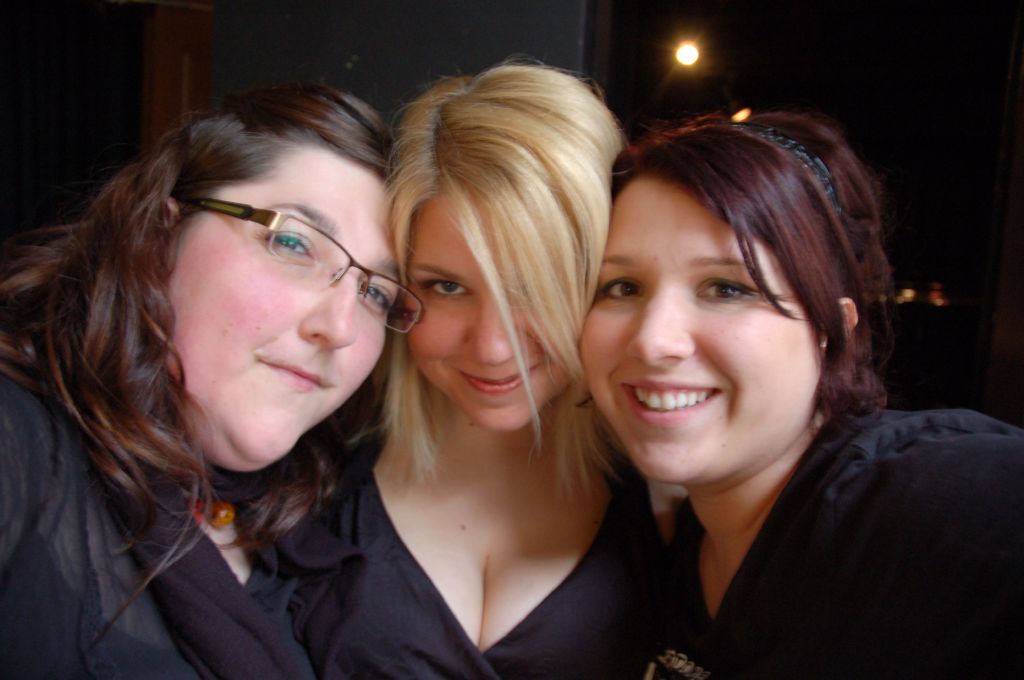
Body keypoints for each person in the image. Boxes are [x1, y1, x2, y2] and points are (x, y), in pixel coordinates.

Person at [0, 82, 422, 679]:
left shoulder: (322, 521)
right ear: (162, 233)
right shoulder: (18, 439)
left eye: (376, 292)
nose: (340, 328)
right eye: (293, 243)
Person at [581, 110, 1024, 679]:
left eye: (726, 288)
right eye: (622, 286)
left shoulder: (925, 503)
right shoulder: (669, 541)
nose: (652, 340)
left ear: (833, 330)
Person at [329, 62, 660, 678]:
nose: (492, 348)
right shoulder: (311, 476)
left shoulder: (678, 496)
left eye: (533, 286)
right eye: (446, 286)